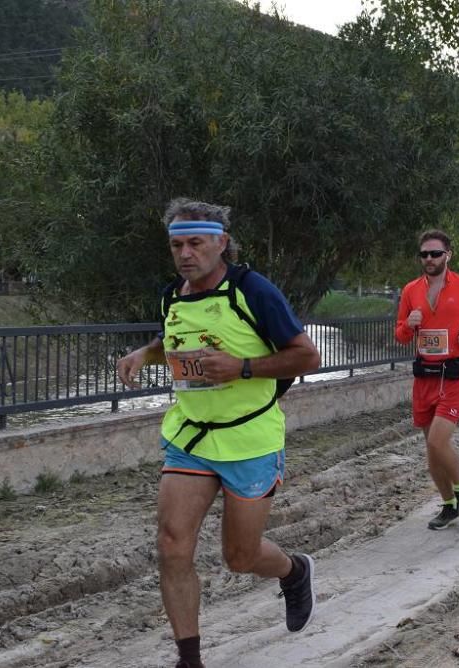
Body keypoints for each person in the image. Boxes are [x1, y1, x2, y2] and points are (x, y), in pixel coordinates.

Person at [116, 199, 321, 668]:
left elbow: (307, 357)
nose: (185, 253)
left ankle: (294, 571)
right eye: (176, 245)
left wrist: (242, 367)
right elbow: (171, 340)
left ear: (221, 243)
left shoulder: (253, 291)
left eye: (195, 243)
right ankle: (189, 659)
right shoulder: (173, 295)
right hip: (191, 438)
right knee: (171, 544)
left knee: (240, 556)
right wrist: (142, 355)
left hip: (249, 439)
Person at [395, 230, 459, 530]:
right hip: (425, 375)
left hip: (453, 375)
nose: (429, 259)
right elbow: (400, 335)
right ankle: (448, 505)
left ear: (447, 255)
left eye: (435, 253)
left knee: (439, 440)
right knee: (432, 450)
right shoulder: (410, 290)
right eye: (424, 254)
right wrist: (408, 325)